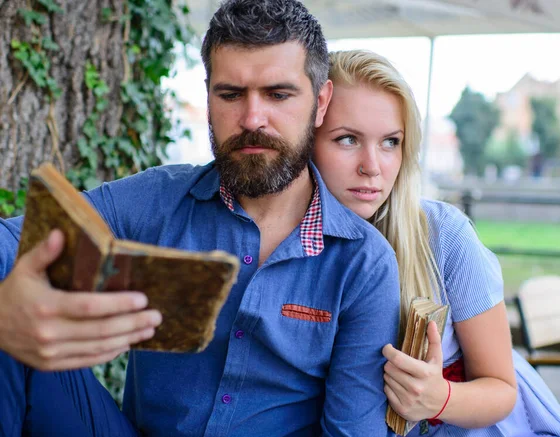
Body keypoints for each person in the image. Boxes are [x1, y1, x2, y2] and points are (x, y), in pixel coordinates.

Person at [0, 3, 401, 436]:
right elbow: (10, 240)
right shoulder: (158, 199)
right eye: (230, 95)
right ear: (208, 95)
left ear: (320, 102)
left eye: (278, 94)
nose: (251, 119)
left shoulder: (363, 263)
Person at [313, 49, 560, 436]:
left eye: (390, 142)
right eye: (348, 139)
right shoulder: (286, 241)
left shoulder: (442, 234)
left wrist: (440, 398)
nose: (372, 165)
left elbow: (502, 389)